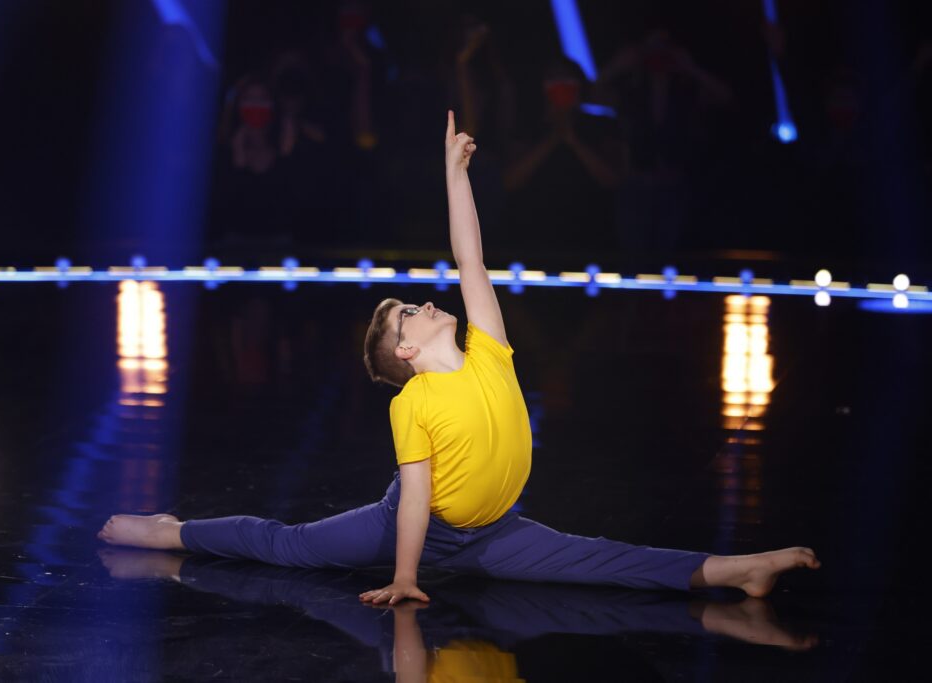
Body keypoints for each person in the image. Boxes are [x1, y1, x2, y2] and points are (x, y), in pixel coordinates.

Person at [98, 112, 821, 604]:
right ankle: (170, 531)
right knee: (284, 545)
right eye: (410, 311)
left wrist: (454, 173)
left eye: (414, 300)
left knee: (606, 559)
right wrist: (406, 574)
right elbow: (413, 497)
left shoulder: (488, 350)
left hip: (496, 529)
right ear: (407, 350)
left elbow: (470, 257)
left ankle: (739, 570)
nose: (425, 302)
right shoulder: (413, 401)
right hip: (420, 528)